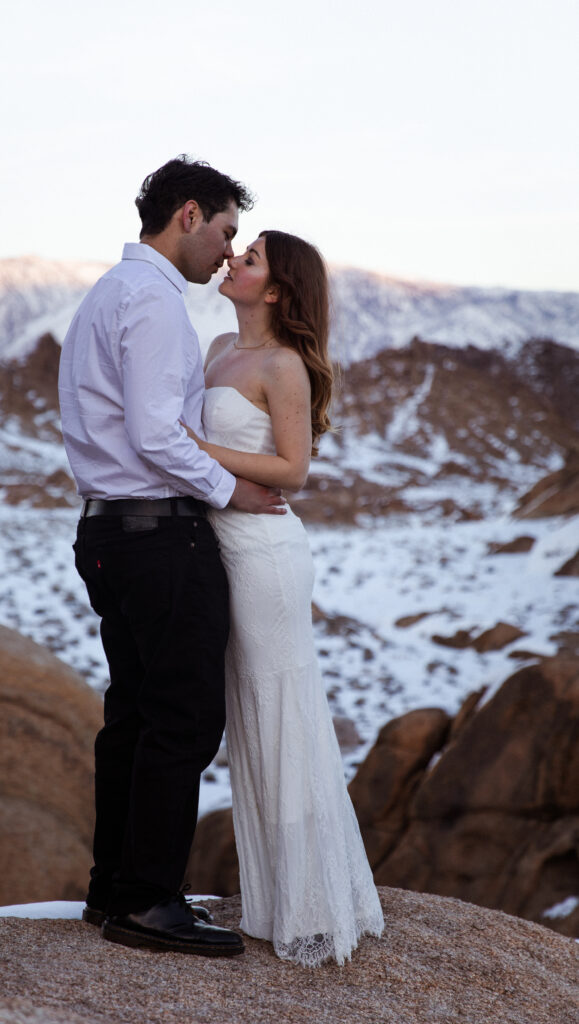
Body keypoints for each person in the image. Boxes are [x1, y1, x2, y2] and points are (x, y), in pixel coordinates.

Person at [58, 157, 286, 959]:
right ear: (188, 215)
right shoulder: (151, 300)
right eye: (226, 231)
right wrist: (230, 490)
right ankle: (149, 901)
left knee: (136, 714)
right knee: (182, 716)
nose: (228, 252)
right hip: (158, 534)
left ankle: (112, 889)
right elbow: (157, 434)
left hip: (111, 533)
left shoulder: (109, 292)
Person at [183, 230, 385, 967]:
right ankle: (272, 901)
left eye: (253, 257)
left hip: (265, 553)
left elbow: (292, 469)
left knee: (280, 712)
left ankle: (315, 905)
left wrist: (194, 450)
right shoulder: (213, 352)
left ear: (275, 290)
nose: (234, 259)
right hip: (221, 547)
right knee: (248, 712)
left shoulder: (283, 364)